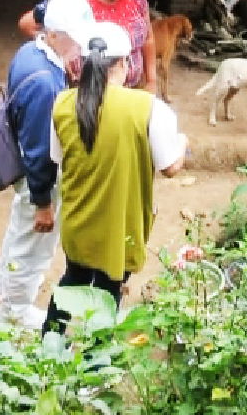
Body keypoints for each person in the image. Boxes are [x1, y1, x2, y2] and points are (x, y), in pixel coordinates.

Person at [43, 21, 187, 333]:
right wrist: (183, 145)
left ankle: (49, 345)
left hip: (78, 221)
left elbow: (58, 159)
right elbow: (171, 167)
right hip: (119, 225)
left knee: (73, 280)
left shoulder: (63, 102)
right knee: (108, 290)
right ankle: (96, 362)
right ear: (125, 63)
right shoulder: (148, 108)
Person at [0, 0, 96, 330]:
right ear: (52, 35)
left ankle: (2, 286)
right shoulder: (45, 82)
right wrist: (43, 202)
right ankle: (14, 311)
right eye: (74, 41)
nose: (79, 49)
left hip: (19, 164)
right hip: (36, 176)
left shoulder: (30, 53)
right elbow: (39, 150)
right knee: (34, 244)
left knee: (17, 231)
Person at [19, 0, 157, 93]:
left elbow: (148, 37)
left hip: (132, 91)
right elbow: (26, 24)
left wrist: (151, 81)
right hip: (88, 94)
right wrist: (56, 50)